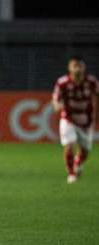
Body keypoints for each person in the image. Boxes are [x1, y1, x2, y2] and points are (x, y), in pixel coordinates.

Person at [52, 56, 99, 184]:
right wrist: (57, 106)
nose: (77, 69)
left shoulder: (91, 82)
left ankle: (77, 164)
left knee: (85, 151)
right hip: (69, 119)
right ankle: (71, 173)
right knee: (69, 144)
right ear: (69, 68)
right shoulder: (62, 83)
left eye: (80, 66)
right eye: (75, 66)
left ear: (84, 68)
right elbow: (56, 100)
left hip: (86, 121)